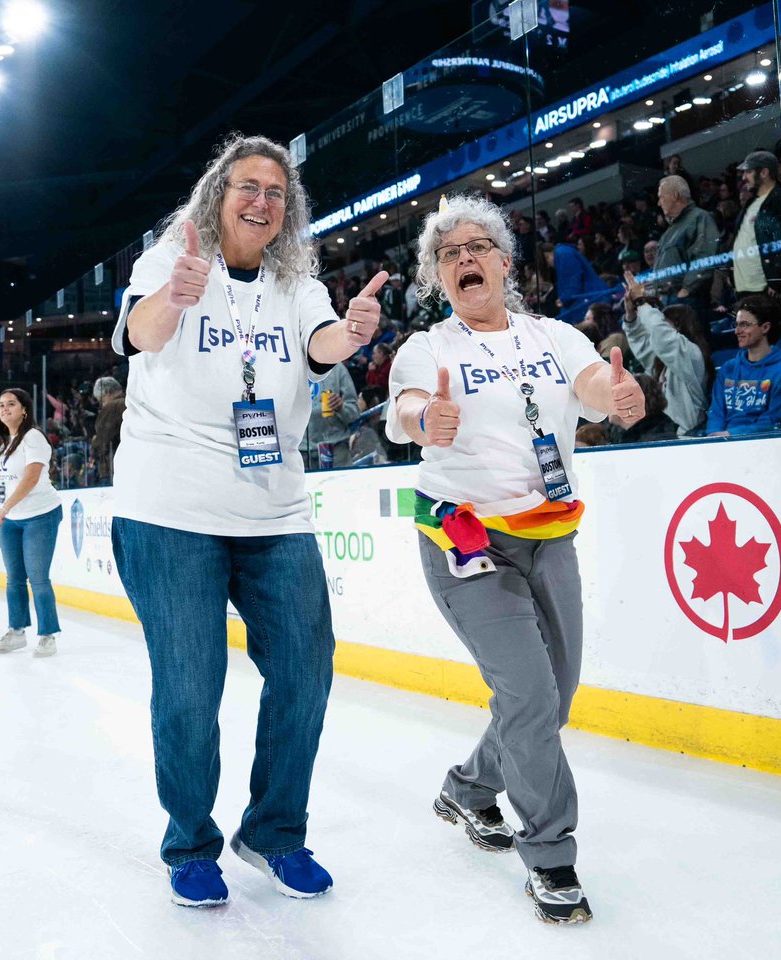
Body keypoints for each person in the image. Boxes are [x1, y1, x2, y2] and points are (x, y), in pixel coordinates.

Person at [111, 134, 385, 909]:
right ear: (218, 193)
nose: (261, 200)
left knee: (305, 672)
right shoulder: (173, 255)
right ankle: (190, 842)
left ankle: (274, 832)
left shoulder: (297, 281)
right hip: (170, 505)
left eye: (275, 190)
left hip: (275, 506)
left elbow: (320, 343)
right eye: (247, 186)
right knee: (192, 688)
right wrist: (177, 293)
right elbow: (139, 335)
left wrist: (352, 331)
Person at [384, 193, 644, 925]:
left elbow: (592, 386)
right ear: (439, 276)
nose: (464, 258)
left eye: (477, 247)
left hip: (549, 531)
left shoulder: (554, 336)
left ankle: (469, 787)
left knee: (553, 698)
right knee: (530, 697)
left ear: (503, 262)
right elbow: (404, 408)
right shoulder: (428, 348)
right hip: (463, 538)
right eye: (448, 253)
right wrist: (421, 419)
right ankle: (551, 855)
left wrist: (615, 392)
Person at [0, 387, 64, 658]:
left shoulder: (33, 438)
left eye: (11, 404)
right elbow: (1, 483)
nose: (5, 409)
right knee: (14, 579)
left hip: (41, 515)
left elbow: (30, 479)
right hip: (11, 519)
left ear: (24, 410)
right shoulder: (4, 443)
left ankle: (47, 635)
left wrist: (5, 508)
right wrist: (0, 509)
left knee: (38, 578)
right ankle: (17, 631)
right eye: (0, 405)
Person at [622, 271, 712, 436]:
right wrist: (631, 315)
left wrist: (641, 302)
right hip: (661, 434)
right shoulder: (662, 362)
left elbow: (660, 333)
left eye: (664, 322)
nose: (657, 326)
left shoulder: (691, 354)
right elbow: (641, 343)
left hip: (686, 438)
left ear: (678, 327)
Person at [707, 294, 781, 436]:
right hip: (721, 444)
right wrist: (714, 437)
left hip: (762, 445)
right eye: (737, 324)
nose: (737, 331)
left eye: (745, 325)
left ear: (765, 327)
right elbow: (716, 413)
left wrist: (731, 435)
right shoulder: (728, 368)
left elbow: (772, 422)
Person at [733, 151, 781, 304]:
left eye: (749, 172)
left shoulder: (779, 200)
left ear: (764, 172)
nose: (744, 177)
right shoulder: (750, 203)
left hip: (767, 289)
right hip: (745, 287)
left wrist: (777, 280)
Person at [654, 175, 719, 306]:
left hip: (687, 301)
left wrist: (687, 290)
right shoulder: (671, 230)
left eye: (661, 197)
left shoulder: (700, 218)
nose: (659, 203)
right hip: (670, 301)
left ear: (675, 195)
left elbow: (705, 257)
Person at [304, 363, 360, 469]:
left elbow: (354, 413)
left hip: (336, 448)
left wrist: (341, 407)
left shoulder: (337, 369)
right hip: (299, 451)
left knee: (342, 485)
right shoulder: (288, 370)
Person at [91, 376, 126, 484]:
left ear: (107, 392)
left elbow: (103, 439)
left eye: (101, 400)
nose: (102, 404)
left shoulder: (112, 407)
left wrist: (94, 441)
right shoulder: (131, 402)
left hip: (114, 466)